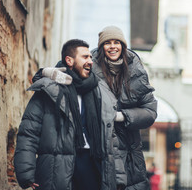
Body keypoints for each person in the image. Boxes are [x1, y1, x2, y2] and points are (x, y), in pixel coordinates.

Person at [41, 26, 158, 189]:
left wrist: (123, 116)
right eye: (107, 43)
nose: (112, 47)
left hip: (127, 147)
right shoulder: (91, 64)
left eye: (117, 42)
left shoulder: (135, 70)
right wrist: (45, 72)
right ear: (101, 46)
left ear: (123, 45)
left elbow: (150, 111)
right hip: (98, 145)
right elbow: (65, 67)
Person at [14, 39, 125, 190]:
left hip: (93, 166)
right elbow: (28, 133)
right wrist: (26, 174)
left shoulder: (97, 91)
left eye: (90, 57)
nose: (90, 61)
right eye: (85, 57)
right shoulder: (49, 91)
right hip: (57, 168)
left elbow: (110, 136)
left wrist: (118, 177)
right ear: (69, 60)